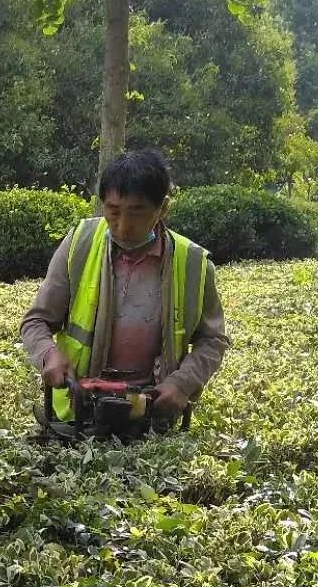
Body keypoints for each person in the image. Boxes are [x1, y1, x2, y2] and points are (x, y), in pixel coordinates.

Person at [21, 149, 229, 423]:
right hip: (79, 412)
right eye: (114, 211)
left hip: (152, 413)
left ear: (162, 208)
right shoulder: (79, 245)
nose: (123, 227)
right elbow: (36, 321)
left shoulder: (193, 264)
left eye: (137, 212)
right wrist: (49, 355)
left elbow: (212, 339)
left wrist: (183, 382)